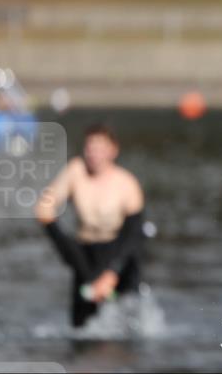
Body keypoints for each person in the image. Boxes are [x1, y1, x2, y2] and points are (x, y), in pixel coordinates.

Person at [35, 125, 145, 328]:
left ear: (113, 150)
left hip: (118, 255)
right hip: (84, 256)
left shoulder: (126, 183)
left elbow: (133, 235)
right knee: (81, 326)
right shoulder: (75, 172)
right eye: (90, 148)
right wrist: (81, 266)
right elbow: (44, 209)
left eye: (100, 148)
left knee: (128, 326)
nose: (94, 154)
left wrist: (111, 274)